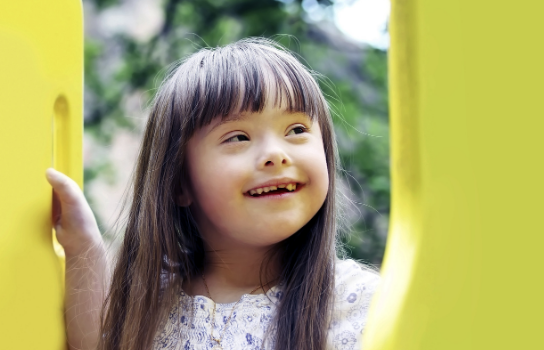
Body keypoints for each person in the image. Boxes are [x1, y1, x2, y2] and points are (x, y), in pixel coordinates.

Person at [46, 38, 380, 350]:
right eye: (238, 137)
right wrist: (82, 246)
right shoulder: (153, 303)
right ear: (180, 182)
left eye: (296, 130)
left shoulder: (360, 300)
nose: (276, 154)